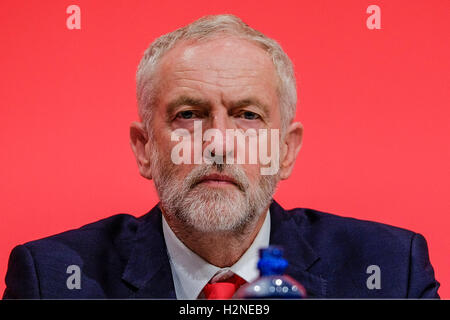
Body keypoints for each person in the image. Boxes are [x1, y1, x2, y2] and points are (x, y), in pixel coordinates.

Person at [3, 14, 439, 299]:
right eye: (188, 114)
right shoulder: (54, 280)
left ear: (286, 151)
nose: (218, 142)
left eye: (247, 115)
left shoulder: (388, 272)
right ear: (144, 148)